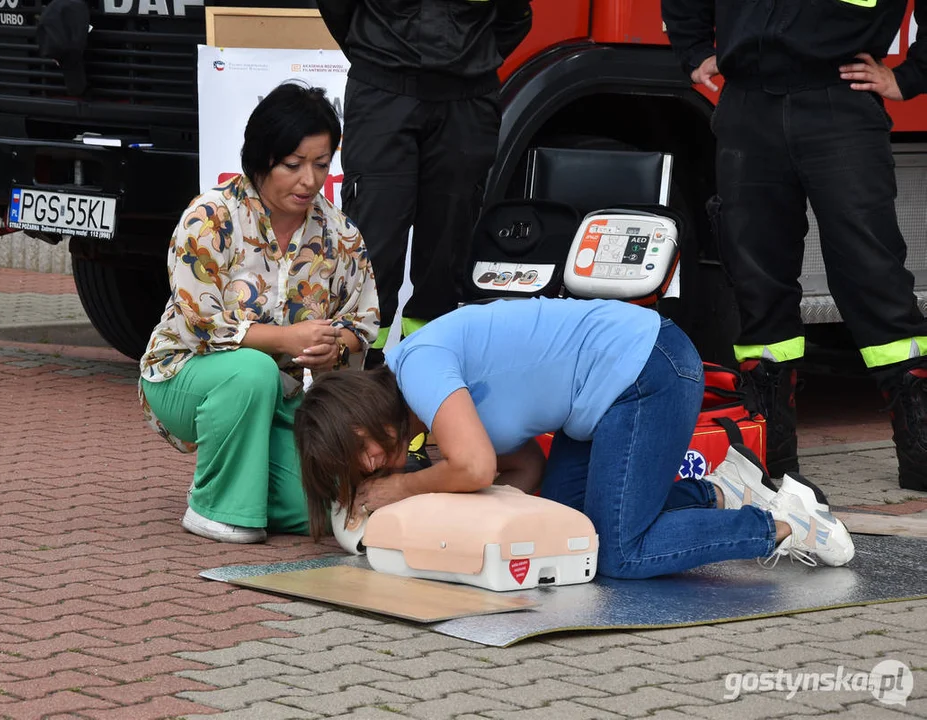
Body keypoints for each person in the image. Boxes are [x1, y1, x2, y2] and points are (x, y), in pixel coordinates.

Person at [294, 298, 855, 579]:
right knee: (571, 532)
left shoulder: (416, 366)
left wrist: (403, 491)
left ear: (366, 410)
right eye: (357, 464)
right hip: (603, 400)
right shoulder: (433, 417)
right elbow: (520, 476)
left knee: (615, 551)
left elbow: (476, 469)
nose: (371, 464)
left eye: (362, 444)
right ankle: (719, 492)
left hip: (646, 368)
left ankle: (786, 524)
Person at [662, 0, 927, 490]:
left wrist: (910, 77)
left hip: (840, 101)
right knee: (756, 283)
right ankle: (769, 457)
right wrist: (694, 49)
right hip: (747, 107)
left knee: (874, 279)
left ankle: (921, 451)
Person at [138, 82, 380, 544]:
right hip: (181, 376)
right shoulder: (210, 217)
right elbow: (200, 324)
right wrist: (285, 340)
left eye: (322, 164)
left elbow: (362, 323)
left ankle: (242, 485)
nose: (309, 180)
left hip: (280, 398)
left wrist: (334, 347)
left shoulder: (340, 234)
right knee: (252, 372)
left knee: (317, 506)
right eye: (293, 165)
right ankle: (213, 509)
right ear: (261, 158)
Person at [316, 0, 534, 368]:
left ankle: (427, 369)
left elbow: (515, 16)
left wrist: (466, 61)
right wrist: (379, 54)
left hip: (467, 99)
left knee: (447, 253)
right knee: (373, 246)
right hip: (383, 90)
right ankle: (361, 376)